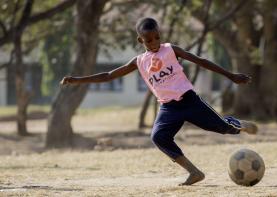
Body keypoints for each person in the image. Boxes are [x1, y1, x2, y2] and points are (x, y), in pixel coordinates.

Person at [60, 17, 258, 186]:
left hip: (189, 100)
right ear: (140, 40)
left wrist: (231, 75)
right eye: (148, 40)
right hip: (168, 108)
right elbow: (108, 75)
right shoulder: (138, 62)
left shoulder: (171, 50)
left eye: (157, 37)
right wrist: (78, 80)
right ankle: (194, 172)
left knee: (223, 128)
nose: (154, 42)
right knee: (158, 137)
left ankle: (240, 125)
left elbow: (201, 61)